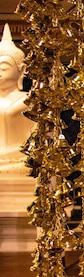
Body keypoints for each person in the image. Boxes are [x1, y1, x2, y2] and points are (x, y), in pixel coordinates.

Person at [0, 23, 31, 175]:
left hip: (16, 161)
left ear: (21, 70)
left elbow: (33, 142)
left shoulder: (27, 100)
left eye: (4, 68)